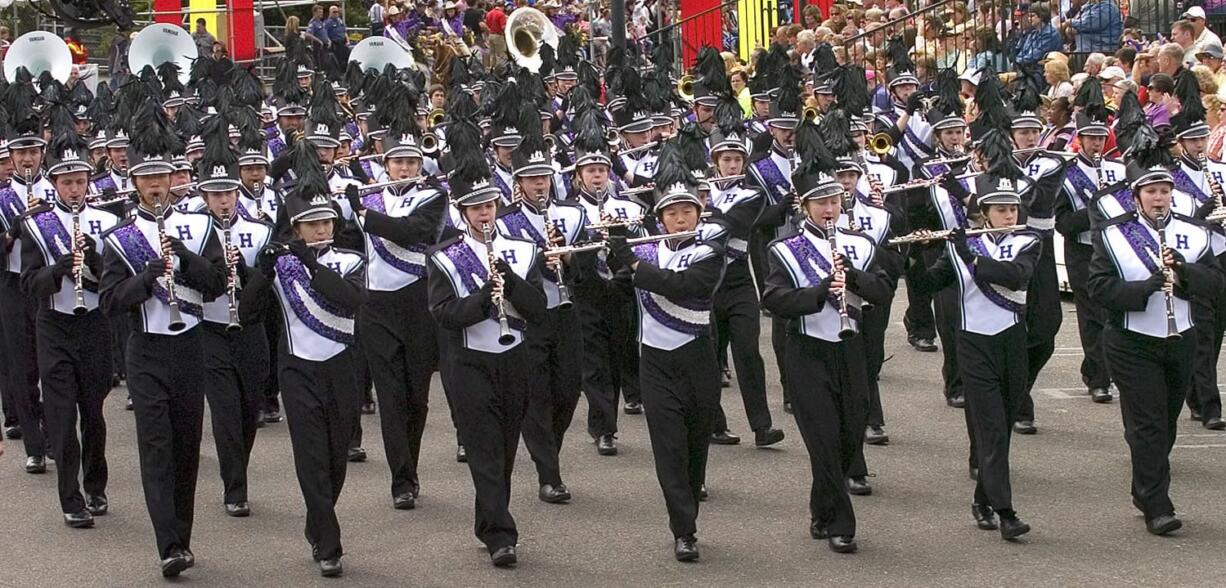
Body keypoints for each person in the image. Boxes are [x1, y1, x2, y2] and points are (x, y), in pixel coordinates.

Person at [99, 99, 227, 577]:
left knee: (185, 445)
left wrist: (186, 261)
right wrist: (146, 279)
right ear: (133, 182)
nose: (155, 186)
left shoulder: (197, 224)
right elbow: (110, 301)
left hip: (191, 344)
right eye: (145, 178)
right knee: (155, 445)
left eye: (162, 177)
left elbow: (217, 283)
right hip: (146, 348)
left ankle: (184, 536)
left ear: (173, 179)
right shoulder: (119, 236)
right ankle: (168, 545)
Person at [762, 121, 893, 554]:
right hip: (806, 351)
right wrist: (820, 291)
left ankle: (821, 508)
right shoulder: (784, 250)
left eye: (834, 199)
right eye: (820, 202)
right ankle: (841, 522)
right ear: (804, 206)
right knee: (822, 436)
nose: (829, 208)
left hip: (850, 348)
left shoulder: (859, 243)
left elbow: (884, 288)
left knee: (848, 435)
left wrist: (851, 276)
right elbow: (775, 299)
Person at [1088, 125, 1224, 536]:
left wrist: (1184, 273)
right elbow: (1098, 288)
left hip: (1181, 337)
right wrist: (1145, 288)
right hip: (1131, 341)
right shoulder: (1114, 235)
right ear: (1137, 196)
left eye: (1165, 191)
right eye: (1151, 192)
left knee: (1164, 424)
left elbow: (1217, 284)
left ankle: (1143, 486)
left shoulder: (1195, 231)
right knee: (1147, 424)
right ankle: (1157, 504)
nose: (1159, 198)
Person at [427, 110, 546, 567]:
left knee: (505, 446)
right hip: (468, 362)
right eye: (476, 207)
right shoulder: (445, 257)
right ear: (462, 212)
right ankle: (501, 534)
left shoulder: (522, 249)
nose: (485, 213)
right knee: (483, 449)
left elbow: (538, 310)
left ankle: (488, 518)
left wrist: (511, 283)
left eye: (490, 205)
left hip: (513, 358)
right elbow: (442, 314)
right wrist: (482, 296)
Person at [905, 139, 1040, 541]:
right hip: (973, 343)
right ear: (984, 213)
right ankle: (1006, 512)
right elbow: (931, 283)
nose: (1008, 215)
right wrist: (918, 254)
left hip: (1012, 340)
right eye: (1000, 209)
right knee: (992, 428)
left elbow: (1015, 276)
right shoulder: (962, 245)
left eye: (1012, 208)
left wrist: (970, 255)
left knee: (1003, 425)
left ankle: (983, 499)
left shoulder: (1027, 241)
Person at [246, 142, 367, 577]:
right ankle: (330, 542)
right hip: (297, 371)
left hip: (341, 368)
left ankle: (318, 522)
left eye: (325, 222)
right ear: (295, 228)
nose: (319, 230)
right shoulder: (281, 266)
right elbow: (247, 314)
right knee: (311, 457)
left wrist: (308, 263)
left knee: (336, 459)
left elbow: (350, 299)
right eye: (310, 224)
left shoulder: (350, 259)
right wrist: (263, 270)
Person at [606, 144, 724, 562]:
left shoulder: (709, 253)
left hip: (697, 358)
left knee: (694, 447)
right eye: (672, 213)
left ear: (698, 216)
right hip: (654, 363)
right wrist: (602, 257)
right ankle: (683, 528)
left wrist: (635, 267)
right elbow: (612, 291)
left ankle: (689, 506)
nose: (679, 219)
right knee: (669, 448)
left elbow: (685, 286)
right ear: (660, 218)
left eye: (687, 212)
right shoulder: (644, 252)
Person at [20, 114, 120, 529]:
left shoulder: (110, 222)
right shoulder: (36, 225)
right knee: (62, 418)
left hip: (94, 324)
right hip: (55, 324)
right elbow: (28, 283)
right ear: (56, 184)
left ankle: (95, 485)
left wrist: (93, 263)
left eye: (80, 181)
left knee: (93, 414)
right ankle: (70, 498)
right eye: (67, 183)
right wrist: (58, 269)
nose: (75, 189)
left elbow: (116, 281)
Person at [344, 128, 446, 511]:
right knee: (389, 396)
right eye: (397, 162)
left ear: (420, 165)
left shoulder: (434, 196)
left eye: (411, 162)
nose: (404, 168)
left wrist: (363, 213)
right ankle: (401, 479)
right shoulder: (368, 196)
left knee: (415, 396)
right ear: (384, 164)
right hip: (376, 307)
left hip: (418, 303)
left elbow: (410, 232)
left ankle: (411, 466)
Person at [1055, 84, 1123, 404]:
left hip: (1115, 250)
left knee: (1112, 312)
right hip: (1082, 249)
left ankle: (1100, 367)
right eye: (1091, 138)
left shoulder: (1118, 170)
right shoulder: (1066, 175)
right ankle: (1099, 378)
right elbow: (1063, 224)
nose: (1097, 143)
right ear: (1079, 139)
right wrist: (1094, 209)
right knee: (1091, 313)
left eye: (1101, 137)